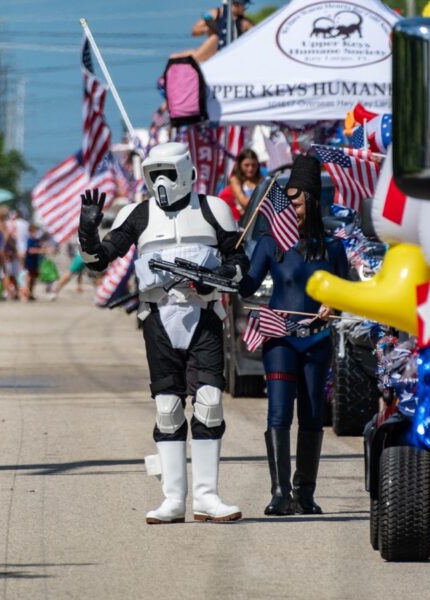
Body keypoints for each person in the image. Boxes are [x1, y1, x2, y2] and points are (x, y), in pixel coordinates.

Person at [79, 142, 249, 524]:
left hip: (203, 314)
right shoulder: (137, 214)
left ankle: (207, 496)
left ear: (185, 171)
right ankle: (173, 498)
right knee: (168, 409)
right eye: (153, 174)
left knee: (209, 402)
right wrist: (87, 231)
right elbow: (99, 260)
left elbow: (239, 259)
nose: (160, 182)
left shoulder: (212, 209)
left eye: (166, 174)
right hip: (158, 317)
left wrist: (223, 276)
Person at [238, 155, 349, 515]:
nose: (289, 208)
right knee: (278, 412)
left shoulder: (333, 248)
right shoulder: (271, 244)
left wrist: (335, 306)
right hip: (279, 337)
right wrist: (233, 266)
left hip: (316, 339)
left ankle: (305, 492)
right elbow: (248, 285)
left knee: (313, 414)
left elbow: (346, 295)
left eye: (296, 202)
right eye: (286, 200)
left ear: (313, 202)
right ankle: (279, 493)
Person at [171, 0, 254, 62]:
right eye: (245, 5)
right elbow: (194, 31)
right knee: (174, 57)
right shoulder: (214, 14)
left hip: (233, 53)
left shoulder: (245, 22)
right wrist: (209, 28)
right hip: (212, 51)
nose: (246, 9)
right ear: (235, 4)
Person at [227, 148, 262, 215]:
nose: (250, 168)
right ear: (240, 165)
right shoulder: (235, 180)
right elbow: (244, 202)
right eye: (246, 165)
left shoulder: (261, 180)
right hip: (243, 220)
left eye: (253, 165)